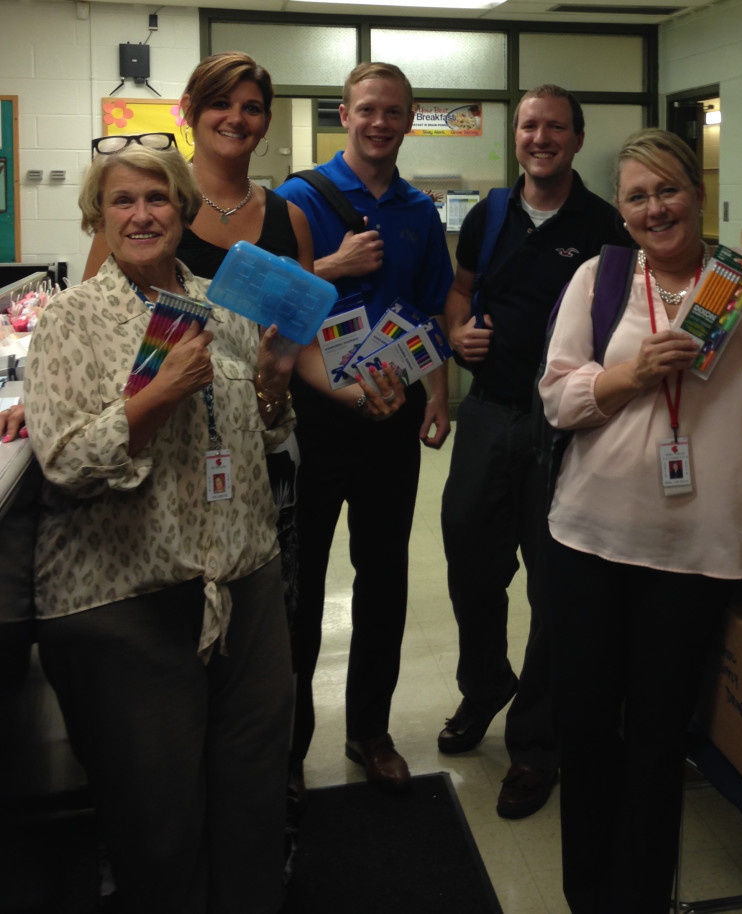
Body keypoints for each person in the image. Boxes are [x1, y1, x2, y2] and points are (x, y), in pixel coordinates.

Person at [22, 141, 374, 914]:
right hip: (128, 595)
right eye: (122, 201)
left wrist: (274, 384)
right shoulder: (70, 319)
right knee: (157, 815)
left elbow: (266, 434)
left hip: (244, 577)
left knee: (251, 793)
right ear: (98, 217)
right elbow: (66, 462)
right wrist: (158, 395)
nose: (142, 214)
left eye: (157, 198)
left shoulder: (226, 304)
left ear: (182, 211)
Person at [537, 128, 742, 913]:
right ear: (621, 210)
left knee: (658, 741)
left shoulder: (738, 282)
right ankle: (589, 896)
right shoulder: (600, 278)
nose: (655, 208)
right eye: (638, 196)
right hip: (590, 538)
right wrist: (633, 374)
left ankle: (642, 898)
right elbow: (558, 398)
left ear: (697, 193)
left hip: (695, 550)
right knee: (587, 730)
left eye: (668, 190)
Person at [437, 84, 625, 819]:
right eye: (528, 126)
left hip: (565, 432)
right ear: (514, 136)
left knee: (553, 585)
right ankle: (485, 684)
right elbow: (460, 293)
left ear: (577, 138)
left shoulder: (606, 227)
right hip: (487, 415)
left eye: (554, 127)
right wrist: (458, 333)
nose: (540, 138)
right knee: (469, 562)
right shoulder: (488, 215)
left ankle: (537, 742)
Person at [275, 61, 454, 792]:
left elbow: (430, 309)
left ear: (409, 120)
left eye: (394, 112)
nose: (380, 123)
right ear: (344, 115)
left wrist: (438, 394)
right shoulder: (297, 198)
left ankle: (370, 732)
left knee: (384, 579)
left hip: (392, 412)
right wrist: (333, 263)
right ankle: (289, 748)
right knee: (301, 586)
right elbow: (272, 303)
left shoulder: (419, 212)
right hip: (313, 414)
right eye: (367, 109)